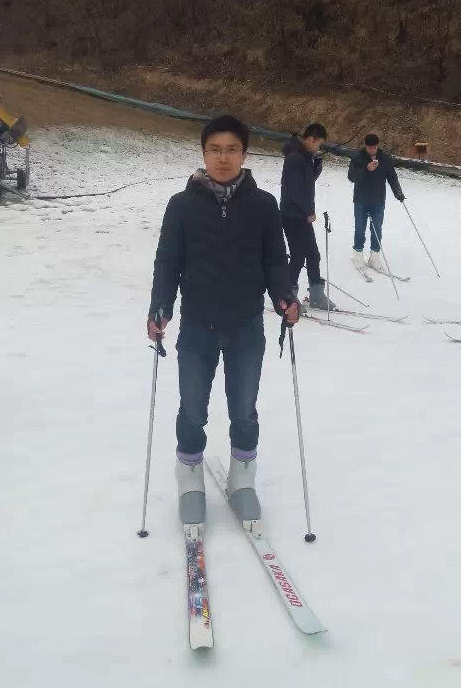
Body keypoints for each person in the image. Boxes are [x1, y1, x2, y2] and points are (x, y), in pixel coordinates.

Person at [147, 115, 299, 525]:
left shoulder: (263, 205)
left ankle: (242, 480)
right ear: (203, 153)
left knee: (244, 408)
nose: (223, 157)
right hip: (197, 325)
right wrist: (160, 306)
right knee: (192, 408)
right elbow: (167, 262)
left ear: (244, 154)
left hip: (245, 325)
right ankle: (190, 480)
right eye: (215, 149)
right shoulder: (181, 205)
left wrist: (285, 296)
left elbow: (275, 260)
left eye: (232, 149)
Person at [280, 123, 336, 311]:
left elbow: (307, 182)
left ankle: (317, 295)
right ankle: (287, 296)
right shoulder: (294, 158)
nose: (318, 147)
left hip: (301, 214)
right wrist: (309, 211)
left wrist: (316, 165)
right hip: (292, 214)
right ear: (311, 139)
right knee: (298, 255)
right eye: (318, 143)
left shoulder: (304, 157)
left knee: (312, 254)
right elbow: (296, 191)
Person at [347, 133, 405, 273]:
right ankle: (358, 255)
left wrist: (398, 192)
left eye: (374, 147)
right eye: (369, 147)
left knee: (377, 229)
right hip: (361, 200)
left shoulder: (385, 159)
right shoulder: (358, 157)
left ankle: (374, 257)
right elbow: (351, 177)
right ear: (365, 146)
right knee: (360, 228)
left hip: (378, 200)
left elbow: (392, 177)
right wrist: (366, 169)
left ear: (377, 146)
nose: (372, 150)